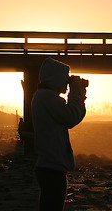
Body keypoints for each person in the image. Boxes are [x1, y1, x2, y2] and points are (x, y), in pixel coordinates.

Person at [32, 58, 87, 211]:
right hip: (52, 168)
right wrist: (77, 94)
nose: (66, 82)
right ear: (55, 78)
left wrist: (76, 94)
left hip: (48, 166)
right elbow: (71, 118)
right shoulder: (47, 98)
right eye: (65, 78)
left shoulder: (44, 97)